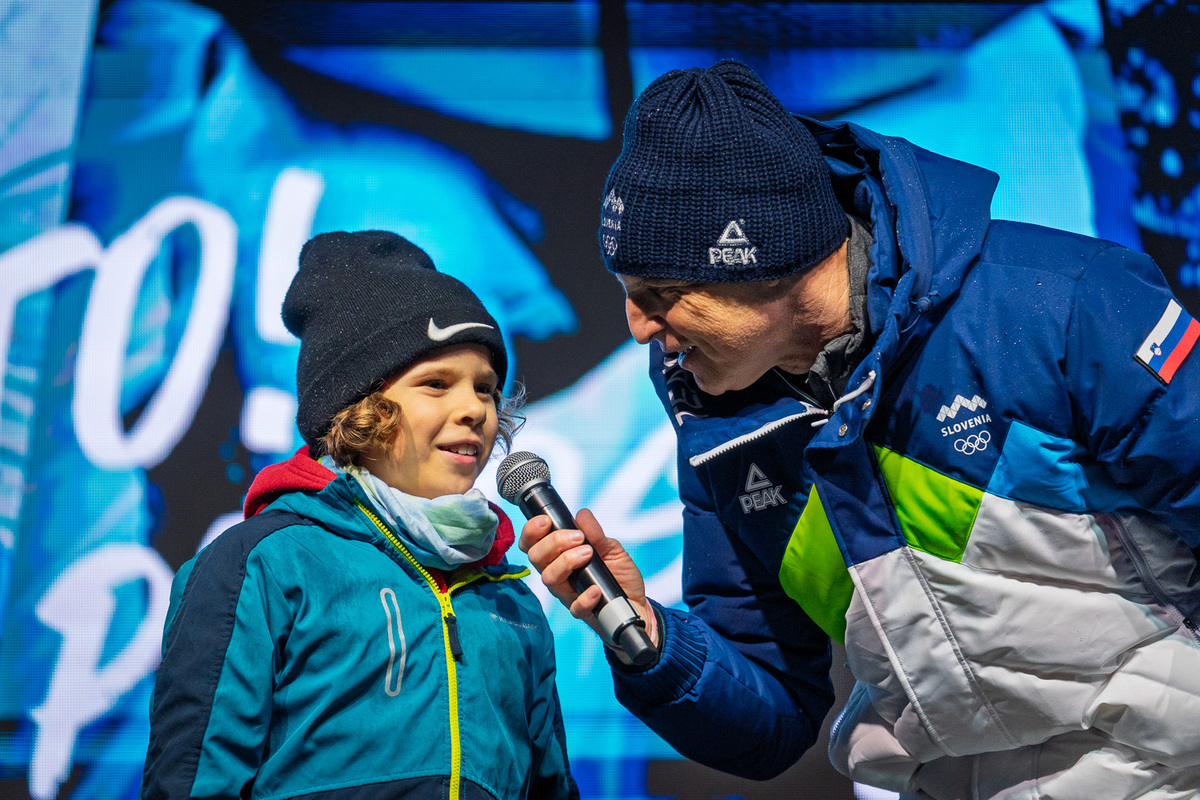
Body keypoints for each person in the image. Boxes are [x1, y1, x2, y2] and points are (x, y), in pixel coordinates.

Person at [520, 60, 1200, 799]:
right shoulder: (714, 417)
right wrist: (651, 641)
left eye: (662, 293)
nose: (638, 328)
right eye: (627, 293)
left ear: (763, 261)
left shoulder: (1062, 301)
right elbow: (773, 719)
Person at [142, 230, 578, 800]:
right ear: (358, 407)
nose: (474, 408)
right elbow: (192, 782)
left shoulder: (511, 598)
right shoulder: (263, 565)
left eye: (486, 389)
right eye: (436, 384)